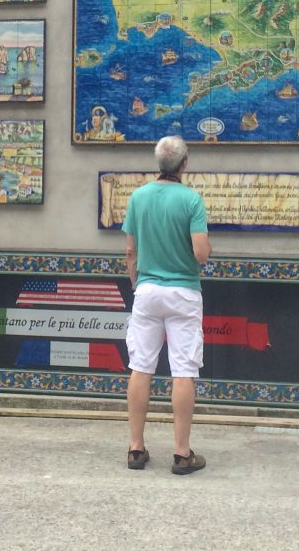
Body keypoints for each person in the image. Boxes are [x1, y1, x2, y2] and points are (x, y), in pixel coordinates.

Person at [123, 135, 211, 474]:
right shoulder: (192, 201)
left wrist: (137, 283)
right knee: (184, 370)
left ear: (159, 163)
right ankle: (181, 452)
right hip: (184, 293)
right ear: (184, 164)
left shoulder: (138, 197)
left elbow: (130, 252)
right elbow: (200, 254)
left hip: (146, 290)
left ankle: (135, 448)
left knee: (141, 366)